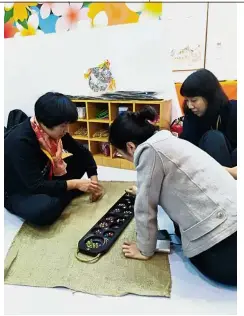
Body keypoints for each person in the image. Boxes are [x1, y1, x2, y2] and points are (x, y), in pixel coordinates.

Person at [109, 106, 237, 286]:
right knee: (178, 229)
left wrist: (145, 249)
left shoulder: (148, 152)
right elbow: (175, 180)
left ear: (130, 147)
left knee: (187, 244)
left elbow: (145, 207)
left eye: (120, 154)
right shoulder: (166, 139)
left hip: (226, 242)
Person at [4, 92, 103, 226]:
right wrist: (75, 184)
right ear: (45, 122)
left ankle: (61, 193)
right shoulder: (20, 142)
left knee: (80, 161)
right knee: (45, 210)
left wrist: (94, 179)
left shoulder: (53, 131)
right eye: (63, 126)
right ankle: (64, 194)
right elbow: (35, 185)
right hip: (19, 189)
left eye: (67, 124)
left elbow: (82, 153)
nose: (66, 130)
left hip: (46, 175)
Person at [179, 69, 237, 168]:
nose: (189, 106)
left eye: (194, 100)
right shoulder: (191, 117)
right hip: (206, 170)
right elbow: (188, 153)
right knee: (213, 138)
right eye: (186, 100)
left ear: (210, 97)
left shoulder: (234, 110)